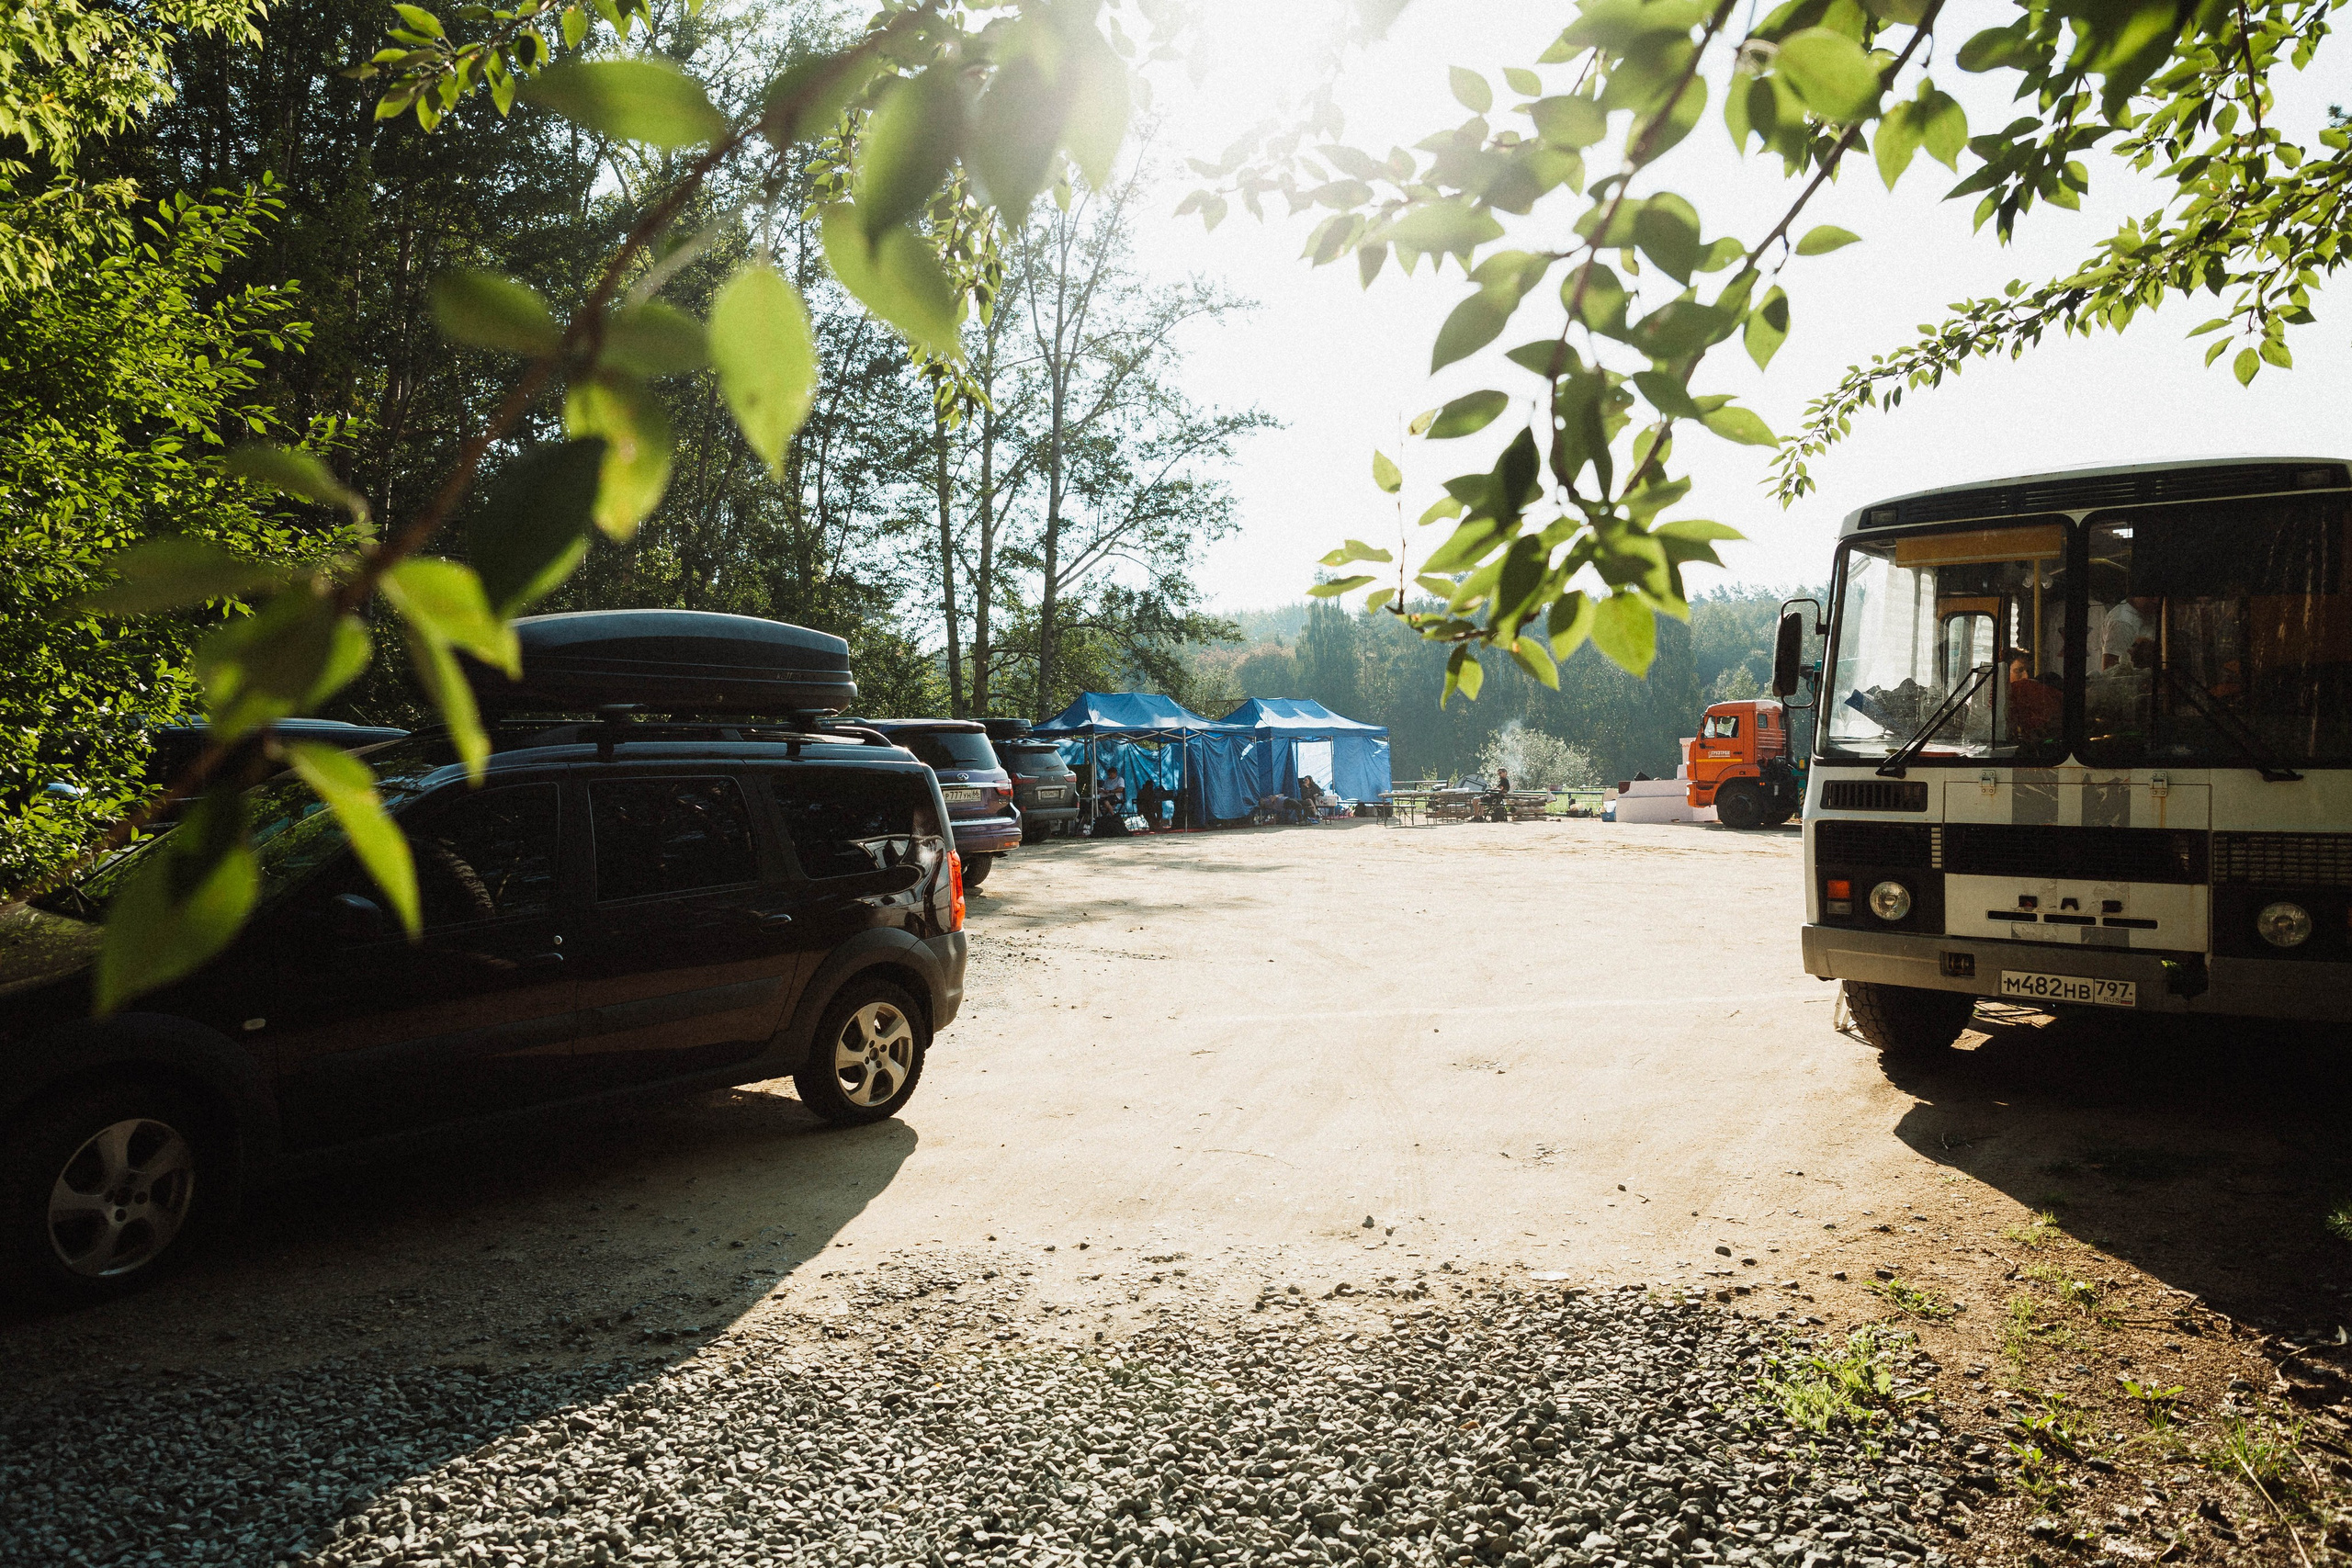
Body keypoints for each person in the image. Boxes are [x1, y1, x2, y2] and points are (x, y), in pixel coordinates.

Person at [2003, 647, 2061, 742]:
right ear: (2003, 672)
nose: (2026, 676)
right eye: (2019, 671)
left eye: (2028, 671)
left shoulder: (2034, 692)